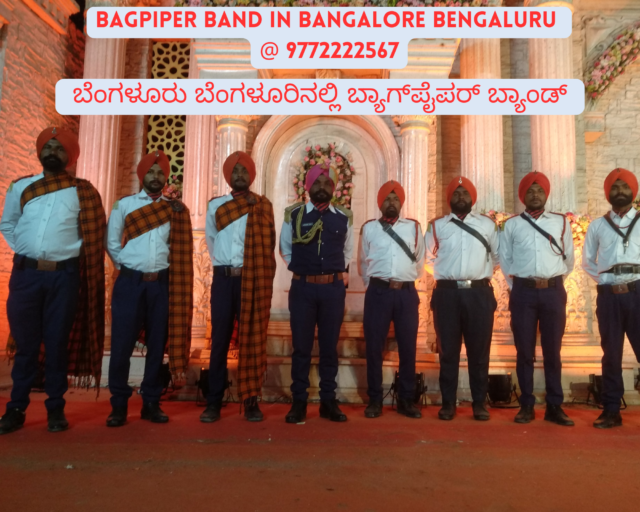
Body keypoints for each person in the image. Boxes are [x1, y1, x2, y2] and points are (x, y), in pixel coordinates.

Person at [0, 127, 106, 435]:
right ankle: (16, 408)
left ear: (71, 156)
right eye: (49, 147)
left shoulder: (82, 192)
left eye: (60, 149)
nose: (53, 153)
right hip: (26, 275)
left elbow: (93, 236)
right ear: (39, 152)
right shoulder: (21, 187)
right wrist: (28, 250)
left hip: (64, 276)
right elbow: (8, 225)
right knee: (26, 345)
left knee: (58, 343)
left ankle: (55, 408)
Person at [105, 151, 193, 427]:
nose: (155, 177)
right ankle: (119, 404)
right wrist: (129, 265)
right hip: (130, 283)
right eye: (150, 172)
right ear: (141, 175)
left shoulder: (175, 209)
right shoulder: (125, 205)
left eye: (160, 172)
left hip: (161, 284)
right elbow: (112, 242)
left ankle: (151, 402)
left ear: (166, 177)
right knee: (121, 345)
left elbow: (180, 249)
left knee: (157, 345)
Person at [200, 151, 276, 423]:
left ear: (251, 176)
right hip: (224, 279)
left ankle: (251, 400)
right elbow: (211, 239)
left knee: (251, 338)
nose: (240, 175)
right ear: (228, 176)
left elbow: (269, 246)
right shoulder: (216, 206)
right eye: (235, 171)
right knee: (219, 341)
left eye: (245, 171)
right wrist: (224, 265)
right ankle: (214, 402)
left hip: (251, 279)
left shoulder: (262, 205)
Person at [499, 171, 575, 426]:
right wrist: (518, 285)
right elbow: (505, 259)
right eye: (530, 191)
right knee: (524, 351)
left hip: (553, 293)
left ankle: (555, 406)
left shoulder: (560, 222)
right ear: (523, 195)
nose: (535, 194)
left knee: (553, 351)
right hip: (523, 293)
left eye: (539, 190)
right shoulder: (511, 225)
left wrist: (552, 281)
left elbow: (569, 260)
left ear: (546, 194)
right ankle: (527, 405)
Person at [280, 164, 354, 423]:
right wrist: (303, 270)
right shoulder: (294, 214)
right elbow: (285, 249)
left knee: (328, 348)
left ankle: (327, 401)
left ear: (334, 188)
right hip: (303, 289)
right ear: (307, 186)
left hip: (333, 291)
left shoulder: (343, 217)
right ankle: (298, 401)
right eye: (317, 183)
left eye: (327, 183)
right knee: (301, 347)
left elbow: (347, 252)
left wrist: (333, 274)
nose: (322, 187)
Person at [425, 177, 499, 421]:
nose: (460, 197)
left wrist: (476, 274)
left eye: (464, 193)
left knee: (479, 352)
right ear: (449, 198)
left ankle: (479, 403)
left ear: (472, 197)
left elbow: (497, 257)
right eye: (456, 193)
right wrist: (447, 274)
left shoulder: (487, 225)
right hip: (447, 295)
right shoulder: (437, 226)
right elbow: (427, 259)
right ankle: (448, 403)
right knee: (448, 351)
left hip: (479, 293)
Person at [358, 181, 425, 419]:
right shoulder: (369, 229)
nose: (392, 203)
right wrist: (377, 286)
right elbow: (363, 263)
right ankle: (374, 399)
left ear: (401, 202)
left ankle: (406, 399)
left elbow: (419, 263)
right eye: (387, 199)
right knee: (374, 347)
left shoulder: (414, 228)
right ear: (380, 203)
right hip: (378, 293)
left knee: (408, 348)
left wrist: (403, 282)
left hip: (406, 294)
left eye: (396, 199)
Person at [583, 168, 640, 429]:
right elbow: (587, 262)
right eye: (615, 187)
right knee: (611, 354)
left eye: (624, 187)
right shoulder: (597, 225)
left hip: (638, 293)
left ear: (633, 191)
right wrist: (607, 281)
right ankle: (611, 410)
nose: (620, 191)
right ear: (608, 193)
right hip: (609, 298)